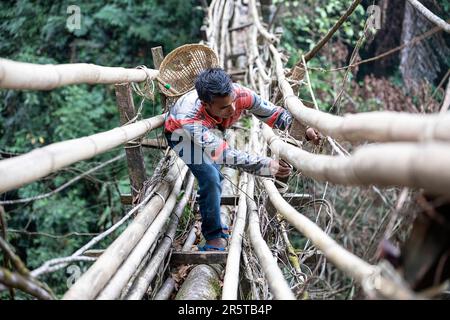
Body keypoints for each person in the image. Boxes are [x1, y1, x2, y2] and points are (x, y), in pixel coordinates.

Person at [164, 67, 319, 251]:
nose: (233, 109)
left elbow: (273, 114)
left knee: (214, 174)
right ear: (206, 105)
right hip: (180, 135)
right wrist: (266, 166)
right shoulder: (190, 119)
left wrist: (305, 129)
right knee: (210, 177)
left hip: (211, 129)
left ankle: (212, 213)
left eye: (233, 101)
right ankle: (213, 235)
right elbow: (224, 155)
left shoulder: (240, 94)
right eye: (224, 107)